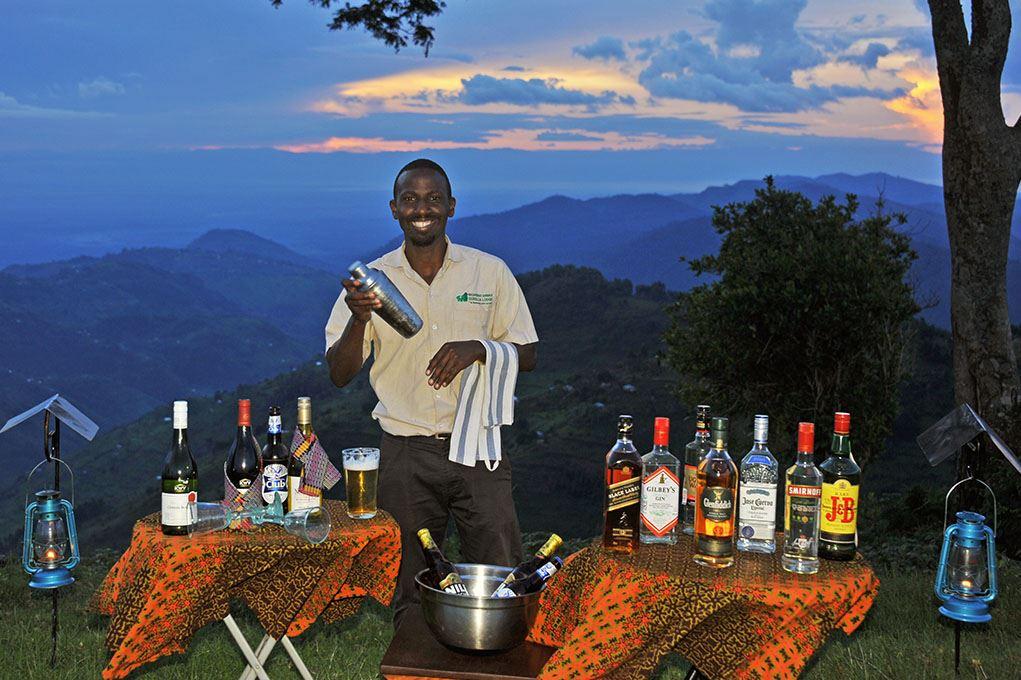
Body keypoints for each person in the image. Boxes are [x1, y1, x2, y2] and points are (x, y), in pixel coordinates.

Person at [324, 158, 539, 628]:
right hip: (405, 454)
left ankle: (496, 659)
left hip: (479, 449)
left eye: (433, 199)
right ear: (394, 209)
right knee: (410, 585)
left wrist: (477, 348)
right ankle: (414, 662)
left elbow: (528, 353)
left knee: (502, 580)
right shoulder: (372, 282)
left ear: (451, 206)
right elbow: (339, 373)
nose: (422, 209)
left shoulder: (489, 272)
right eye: (410, 199)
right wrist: (360, 318)